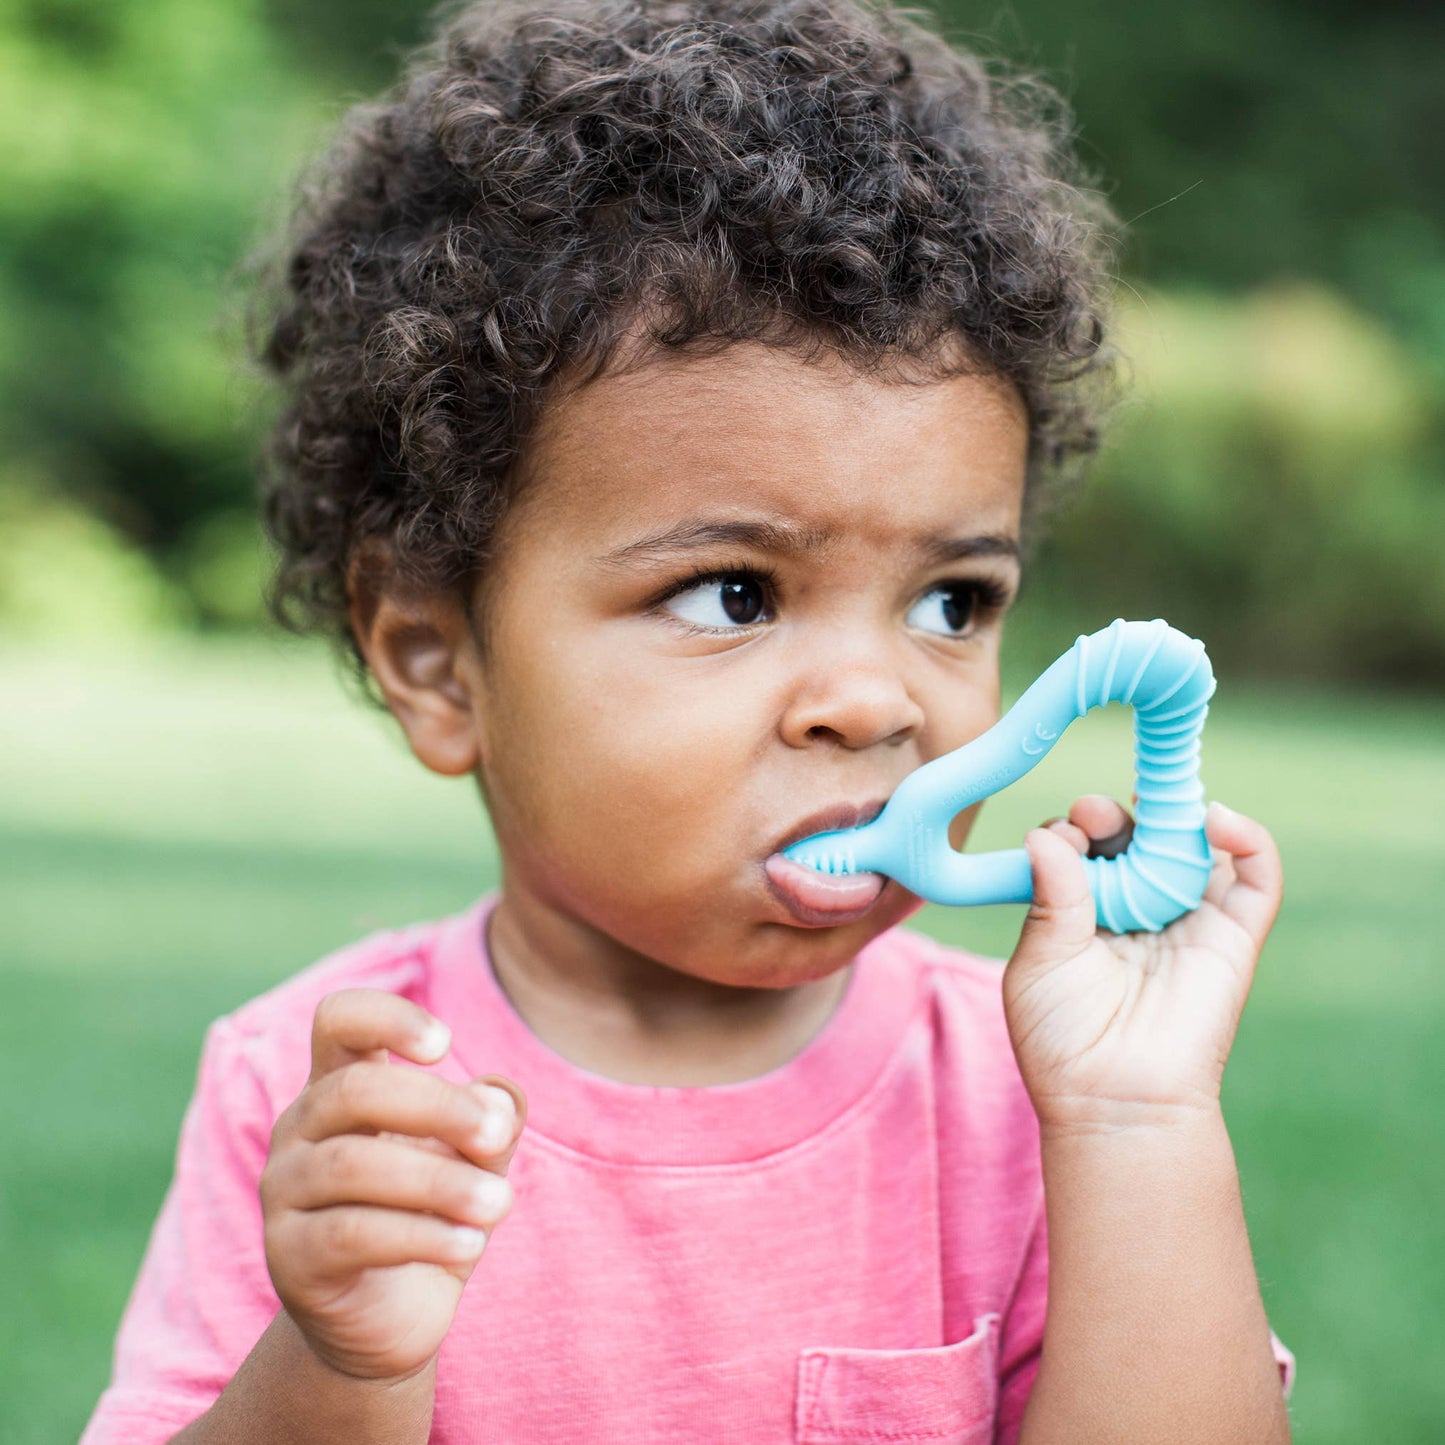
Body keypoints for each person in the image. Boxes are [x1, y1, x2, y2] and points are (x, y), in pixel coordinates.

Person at [80, 0, 1296, 1440]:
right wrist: (339, 1361)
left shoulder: (1025, 1095)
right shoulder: (325, 1097)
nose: (873, 700)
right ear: (435, 659)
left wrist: (1138, 1123)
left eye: (950, 602)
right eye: (731, 592)